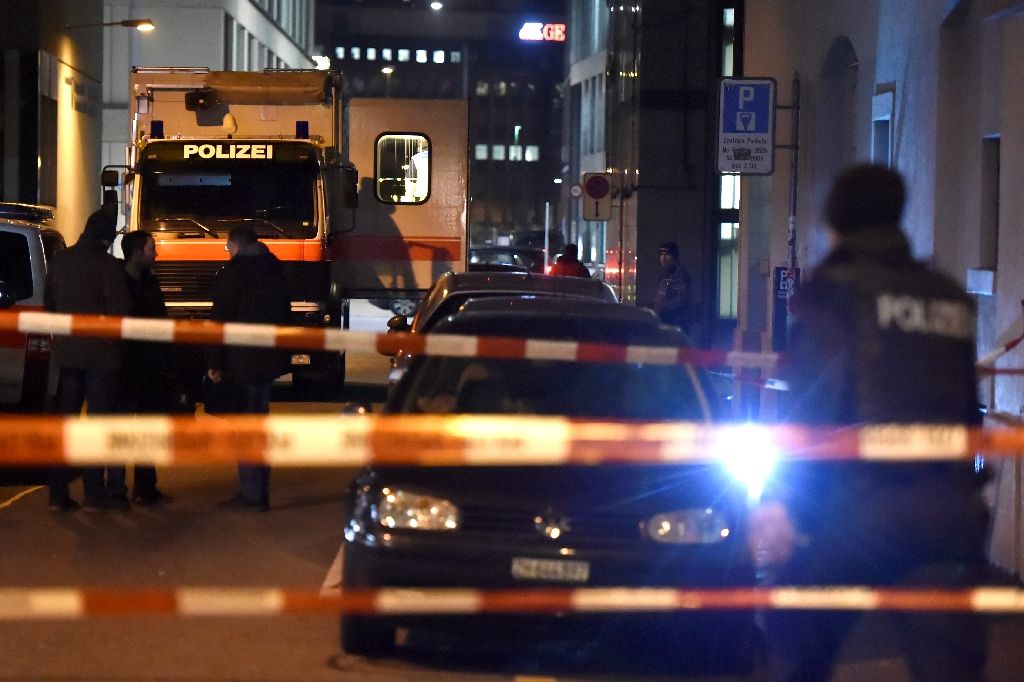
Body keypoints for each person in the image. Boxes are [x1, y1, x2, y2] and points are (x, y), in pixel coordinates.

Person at [751, 164, 990, 681]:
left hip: (854, 508)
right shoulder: (946, 297)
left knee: (795, 644)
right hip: (945, 513)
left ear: (836, 220)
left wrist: (781, 501)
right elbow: (968, 412)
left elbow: (811, 412)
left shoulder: (833, 293)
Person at [44, 208, 132, 511]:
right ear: (108, 237)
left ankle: (57, 493)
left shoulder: (60, 261)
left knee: (65, 425)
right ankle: (95, 493)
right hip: (102, 358)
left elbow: (50, 305)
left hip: (67, 356)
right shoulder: (108, 267)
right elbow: (120, 312)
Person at [207, 227, 291, 511]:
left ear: (234, 245)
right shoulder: (275, 268)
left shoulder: (235, 272)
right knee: (259, 420)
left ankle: (251, 494)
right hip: (268, 358)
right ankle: (258, 490)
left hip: (241, 360)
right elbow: (285, 312)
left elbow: (221, 319)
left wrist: (214, 362)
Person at [120, 230, 175, 505]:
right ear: (137, 252)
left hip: (150, 365)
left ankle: (145, 486)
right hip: (126, 365)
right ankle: (119, 488)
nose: (156, 253)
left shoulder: (150, 282)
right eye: (151, 248)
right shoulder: (118, 284)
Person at [652, 241, 693, 333]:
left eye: (667, 254)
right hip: (665, 321)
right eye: (661, 254)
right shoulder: (665, 274)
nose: (663, 258)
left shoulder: (679, 274)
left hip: (675, 322)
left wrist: (663, 307)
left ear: (674, 257)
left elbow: (681, 298)